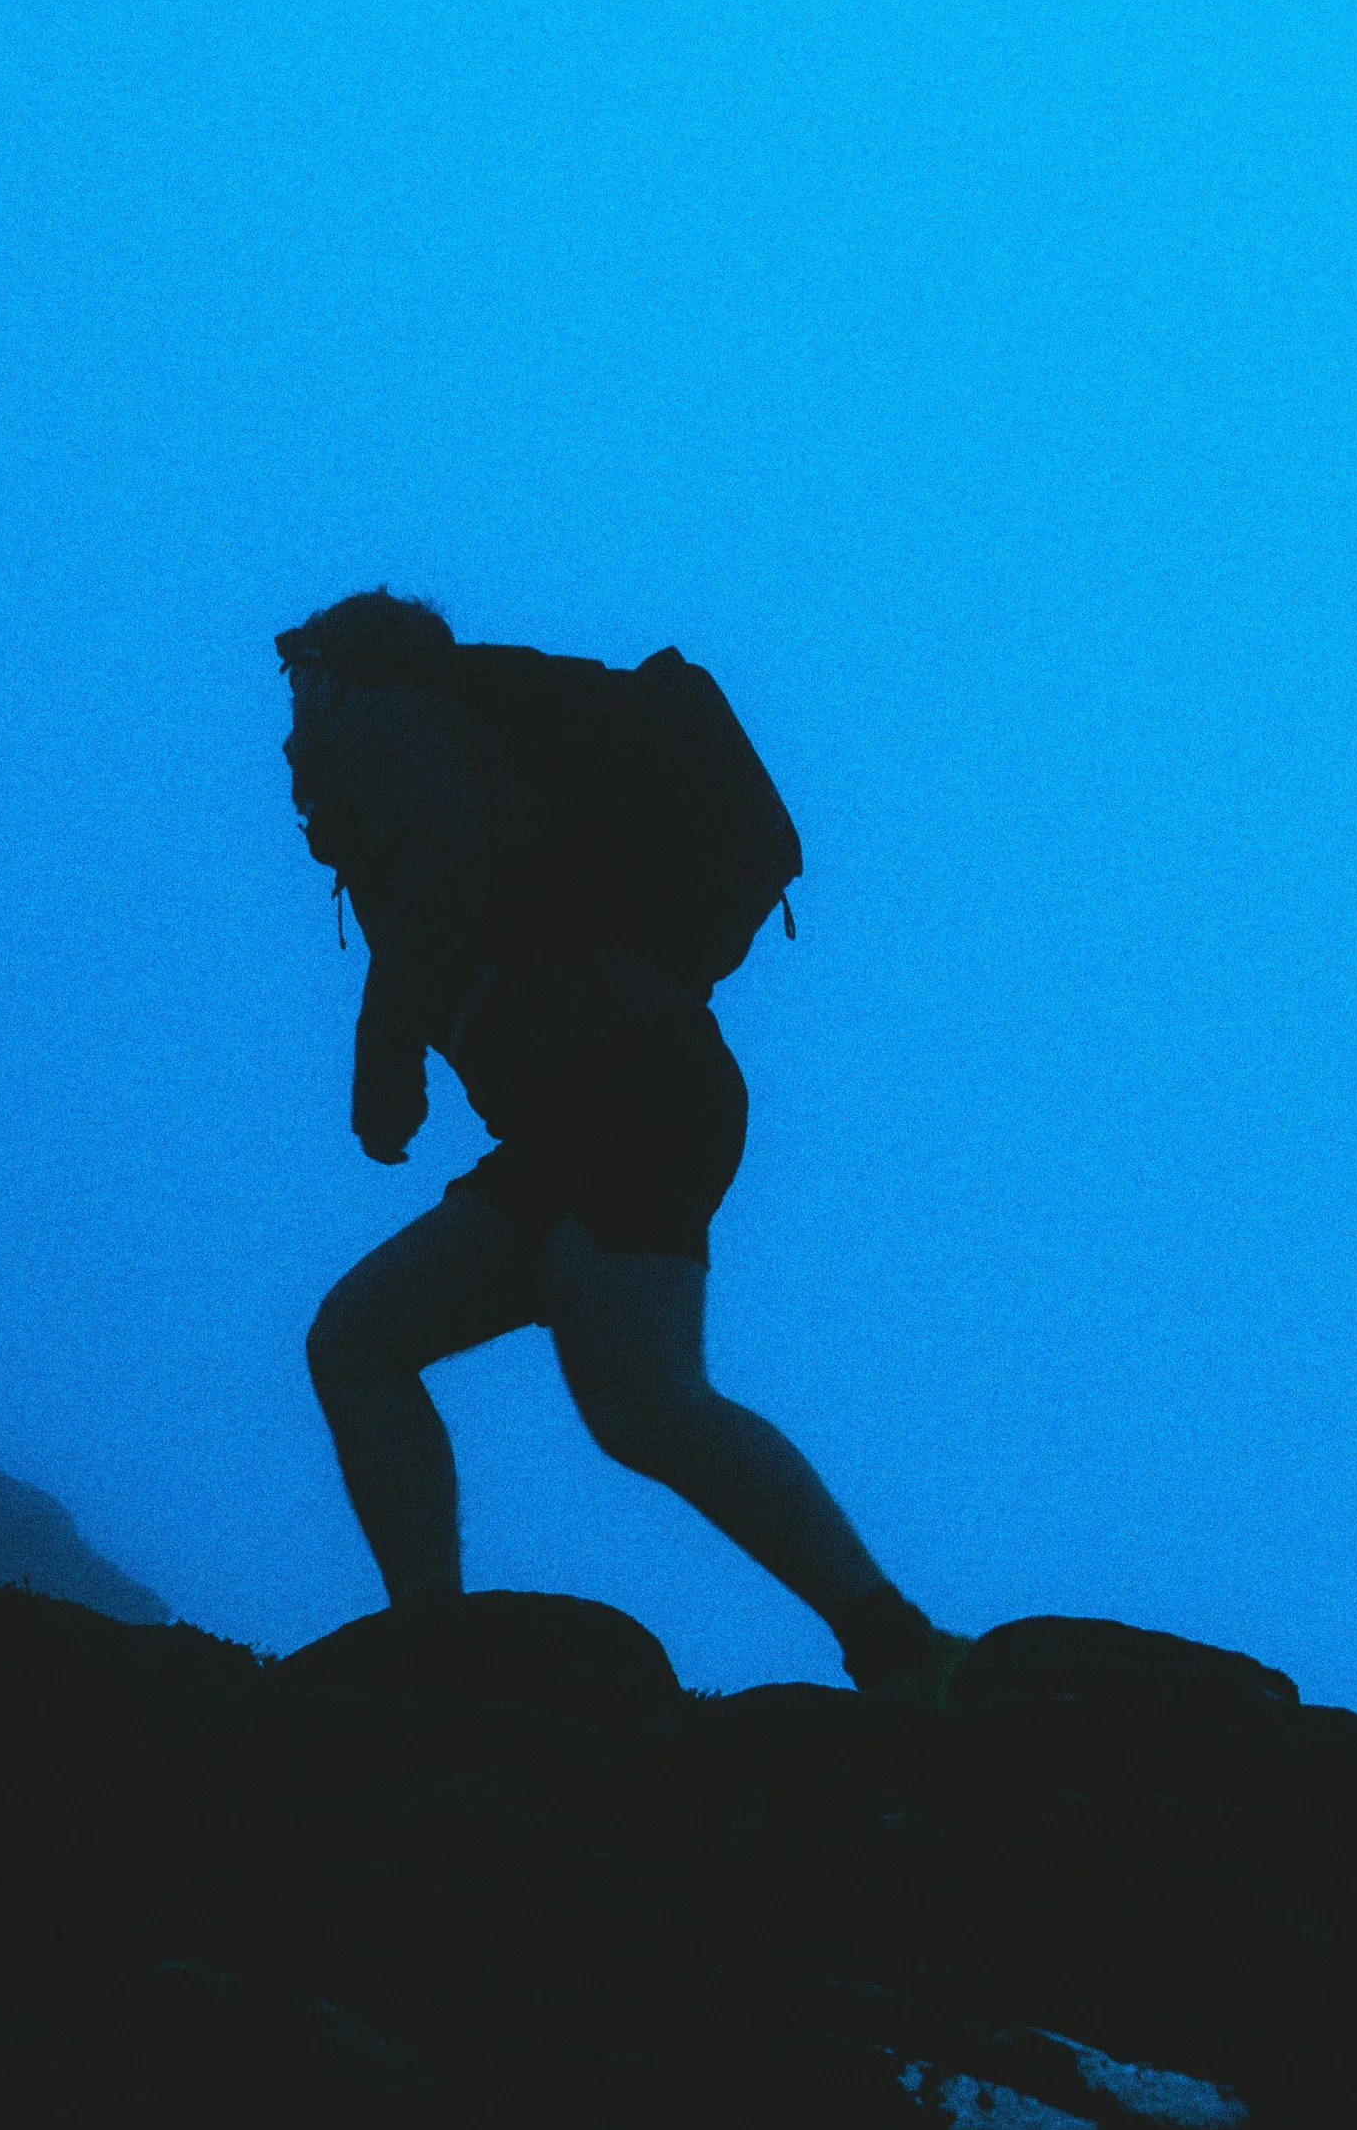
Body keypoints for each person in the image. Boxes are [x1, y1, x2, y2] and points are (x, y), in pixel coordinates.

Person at [276, 589, 963, 1701]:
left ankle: (904, 1650)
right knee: (365, 1339)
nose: (290, 700)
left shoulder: (383, 718)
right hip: (604, 1099)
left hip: (624, 1087)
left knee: (644, 1400)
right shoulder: (456, 730)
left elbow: (444, 861)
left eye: (298, 671)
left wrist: (385, 1059)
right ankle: (430, 1650)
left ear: (333, 667)